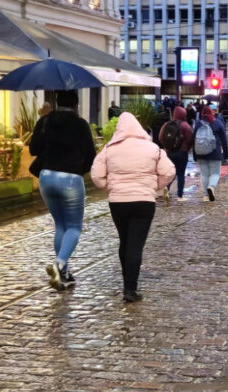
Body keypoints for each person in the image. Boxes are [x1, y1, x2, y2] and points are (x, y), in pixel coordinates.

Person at [91, 113, 175, 302]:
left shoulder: (109, 149)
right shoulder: (152, 148)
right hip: (144, 202)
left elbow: (96, 175)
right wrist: (154, 186)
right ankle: (130, 288)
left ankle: (126, 282)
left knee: (125, 240)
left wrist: (111, 187)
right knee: (136, 245)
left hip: (118, 202)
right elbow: (169, 171)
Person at [29, 91, 96, 291]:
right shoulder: (81, 124)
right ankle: (59, 265)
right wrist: (77, 171)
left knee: (60, 225)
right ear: (76, 104)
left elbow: (33, 149)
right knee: (74, 227)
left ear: (58, 102)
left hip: (46, 177)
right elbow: (91, 156)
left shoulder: (45, 121)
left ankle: (64, 273)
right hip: (70, 178)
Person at [193, 107, 228, 202]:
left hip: (201, 153)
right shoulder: (217, 123)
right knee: (215, 173)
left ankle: (205, 196)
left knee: (204, 175)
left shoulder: (198, 124)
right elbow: (224, 140)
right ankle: (211, 187)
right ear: (211, 113)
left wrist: (195, 155)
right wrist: (226, 155)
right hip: (215, 153)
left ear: (202, 114)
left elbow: (194, 141)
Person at [159, 106, 194, 202]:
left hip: (170, 152)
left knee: (171, 172)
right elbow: (191, 139)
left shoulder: (167, 124)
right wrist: (187, 148)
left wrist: (167, 147)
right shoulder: (185, 125)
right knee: (181, 174)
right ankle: (180, 196)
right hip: (182, 153)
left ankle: (166, 187)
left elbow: (160, 137)